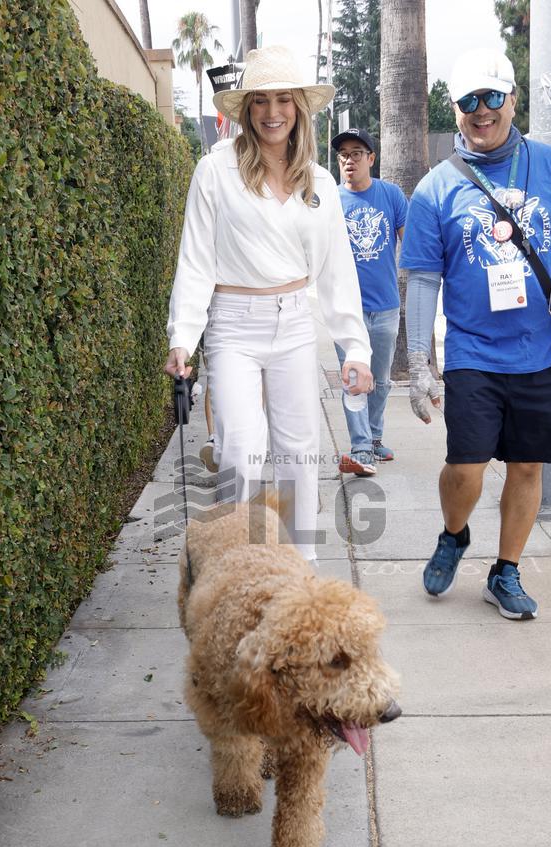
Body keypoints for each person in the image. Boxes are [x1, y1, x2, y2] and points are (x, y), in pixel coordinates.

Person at [400, 47, 551, 620]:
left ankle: (505, 570)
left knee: (528, 466)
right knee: (465, 467)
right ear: (455, 108)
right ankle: (453, 534)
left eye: (492, 96)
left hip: (547, 349)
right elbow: (423, 279)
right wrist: (419, 360)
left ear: (513, 99)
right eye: (469, 100)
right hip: (474, 352)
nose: (481, 110)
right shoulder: (435, 188)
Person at [164, 46, 373, 563]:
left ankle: (300, 569)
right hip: (233, 323)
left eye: (283, 100)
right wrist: (183, 337)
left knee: (299, 451)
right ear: (246, 108)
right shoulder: (215, 171)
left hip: (296, 323)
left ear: (299, 107)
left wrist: (355, 348)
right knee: (239, 450)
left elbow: (336, 270)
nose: (272, 112)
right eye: (260, 100)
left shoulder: (320, 182)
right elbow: (195, 260)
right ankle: (242, 564)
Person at [331, 128, 408, 477]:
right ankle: (360, 446)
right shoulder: (331, 201)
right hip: (346, 310)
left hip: (386, 306)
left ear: (371, 159)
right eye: (344, 154)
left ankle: (374, 438)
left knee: (380, 379)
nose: (349, 160)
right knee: (353, 379)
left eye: (357, 153)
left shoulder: (390, 195)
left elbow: (411, 241)